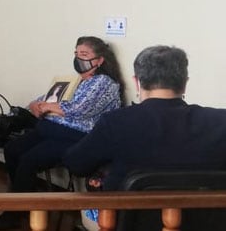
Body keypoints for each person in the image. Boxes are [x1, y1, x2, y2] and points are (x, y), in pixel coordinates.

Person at [0, 36, 126, 230]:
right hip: (51, 129)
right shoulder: (76, 81)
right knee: (12, 149)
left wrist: (47, 107)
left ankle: (13, 213)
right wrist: (36, 105)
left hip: (76, 137)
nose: (79, 58)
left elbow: (79, 109)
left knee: (28, 161)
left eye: (84, 54)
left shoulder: (104, 83)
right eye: (76, 54)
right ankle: (24, 198)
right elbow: (47, 98)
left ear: (100, 60)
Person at [63, 45, 226, 191]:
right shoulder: (220, 121)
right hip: (206, 215)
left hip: (129, 215)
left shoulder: (116, 122)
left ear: (137, 82)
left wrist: (105, 168)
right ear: (184, 83)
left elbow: (76, 164)